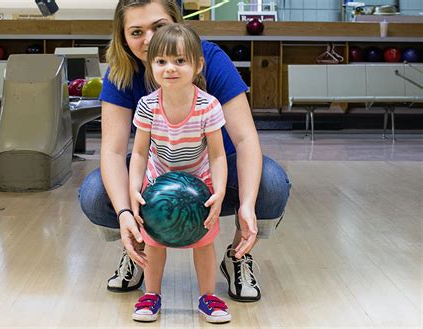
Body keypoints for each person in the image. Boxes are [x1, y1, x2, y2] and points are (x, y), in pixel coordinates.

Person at [78, 0, 291, 303]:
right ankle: (137, 251)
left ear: (178, 24)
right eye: (137, 31)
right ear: (123, 37)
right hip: (158, 170)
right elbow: (114, 153)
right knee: (96, 192)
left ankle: (237, 256)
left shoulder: (211, 59)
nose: (149, 39)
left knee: (269, 182)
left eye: (159, 26)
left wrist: (246, 205)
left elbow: (245, 141)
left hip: (213, 174)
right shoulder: (122, 72)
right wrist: (125, 211)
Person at [129, 23, 230, 322]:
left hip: (199, 184)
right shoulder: (147, 106)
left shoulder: (208, 106)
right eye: (161, 62)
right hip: (157, 183)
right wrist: (135, 188)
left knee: (204, 243)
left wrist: (220, 190)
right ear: (151, 66)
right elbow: (138, 152)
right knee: (155, 244)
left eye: (180, 61)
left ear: (198, 65)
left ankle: (208, 296)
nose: (169, 68)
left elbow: (217, 154)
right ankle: (151, 294)